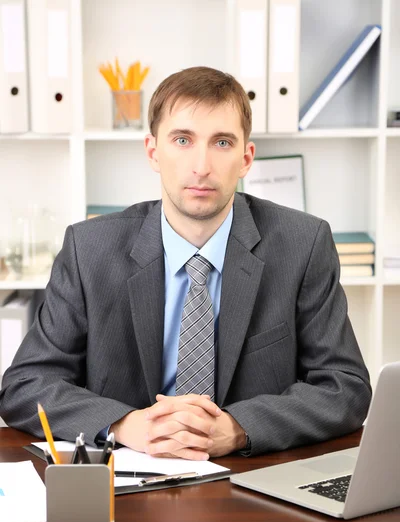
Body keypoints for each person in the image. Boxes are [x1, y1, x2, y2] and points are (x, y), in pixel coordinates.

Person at [0, 66, 371, 460]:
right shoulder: (89, 248)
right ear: (153, 151)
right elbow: (26, 384)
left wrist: (240, 427)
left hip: (250, 482)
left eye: (222, 142)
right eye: (182, 139)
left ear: (246, 158)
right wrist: (125, 424)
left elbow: (345, 387)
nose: (201, 166)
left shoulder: (303, 244)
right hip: (127, 482)